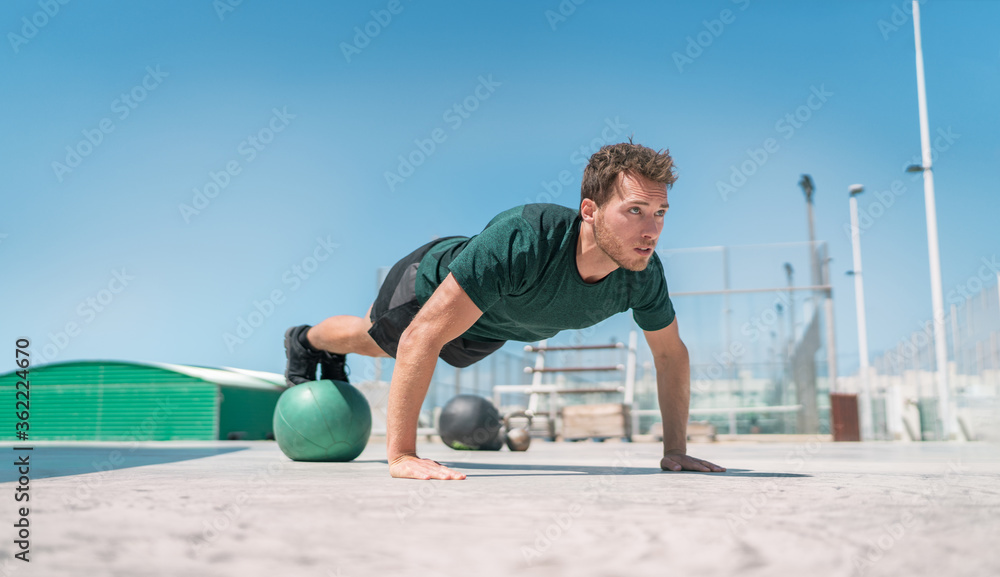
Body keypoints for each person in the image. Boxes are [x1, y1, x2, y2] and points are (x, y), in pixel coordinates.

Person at [284, 140, 726, 480]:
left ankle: (318, 345)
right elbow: (422, 336)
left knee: (404, 347)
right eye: (635, 210)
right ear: (589, 211)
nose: (652, 230)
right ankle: (305, 341)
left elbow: (671, 355)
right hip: (432, 283)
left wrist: (675, 449)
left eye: (660, 212)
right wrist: (402, 456)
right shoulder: (525, 240)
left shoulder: (642, 273)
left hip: (494, 324)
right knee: (375, 342)